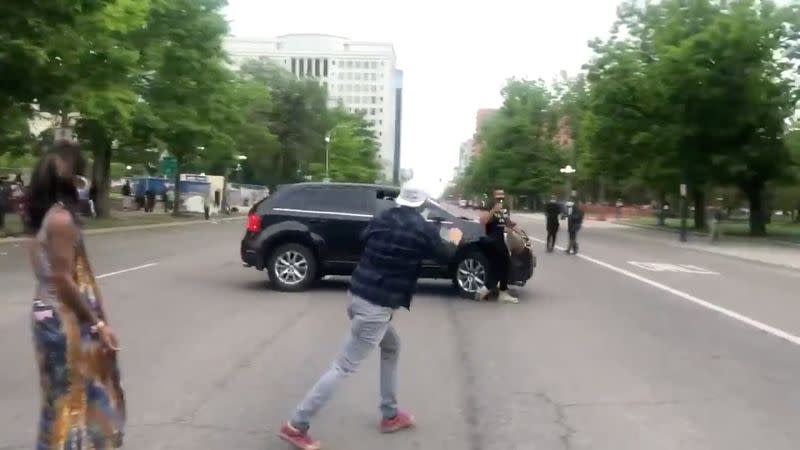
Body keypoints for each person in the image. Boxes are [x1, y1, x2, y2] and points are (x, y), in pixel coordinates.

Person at [278, 180, 463, 450]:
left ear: (401, 200)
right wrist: (454, 240)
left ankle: (390, 414)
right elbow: (446, 255)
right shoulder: (423, 230)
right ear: (423, 204)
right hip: (376, 307)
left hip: (357, 295)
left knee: (391, 346)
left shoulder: (384, 217)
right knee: (342, 367)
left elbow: (364, 237)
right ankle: (296, 425)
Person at [25, 141, 126, 449]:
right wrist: (97, 324)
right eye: (80, 177)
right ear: (73, 180)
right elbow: (63, 279)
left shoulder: (41, 219)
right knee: (73, 397)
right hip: (65, 320)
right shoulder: (61, 220)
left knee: (61, 397)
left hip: (47, 314)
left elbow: (46, 274)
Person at [476, 189, 518, 303]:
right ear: (493, 196)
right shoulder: (488, 205)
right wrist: (494, 210)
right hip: (490, 239)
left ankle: (484, 291)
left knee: (497, 267)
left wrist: (513, 225)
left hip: (499, 239)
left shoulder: (504, 207)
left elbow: (505, 221)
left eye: (502, 195)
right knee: (505, 264)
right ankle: (499, 293)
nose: (500, 197)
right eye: (498, 195)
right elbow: (483, 221)